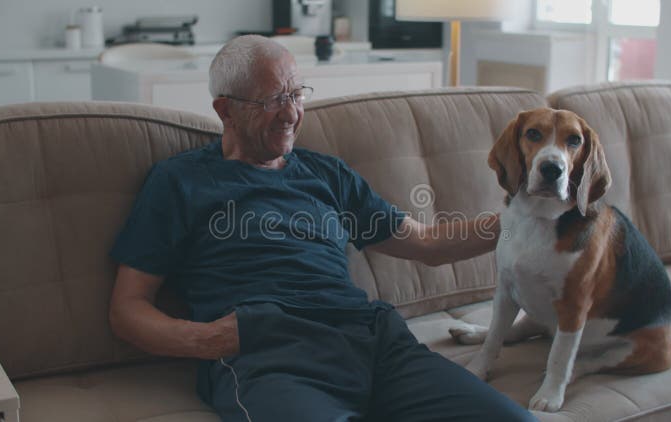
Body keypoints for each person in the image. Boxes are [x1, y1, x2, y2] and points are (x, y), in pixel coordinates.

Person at [108, 35, 534, 422]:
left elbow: (426, 242)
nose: (292, 113)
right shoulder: (180, 181)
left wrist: (525, 219)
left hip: (372, 340)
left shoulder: (326, 173)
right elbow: (128, 308)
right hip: (271, 356)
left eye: (296, 93)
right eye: (273, 100)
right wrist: (209, 341)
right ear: (226, 109)